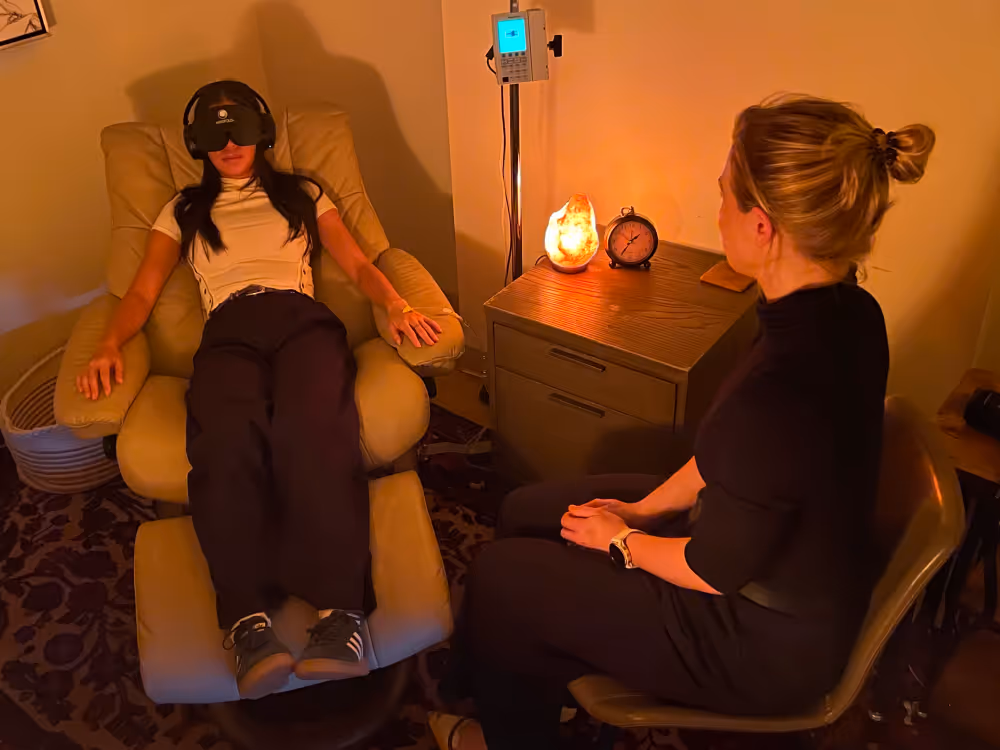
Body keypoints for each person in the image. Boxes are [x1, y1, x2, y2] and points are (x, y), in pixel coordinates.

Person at [429, 95, 935, 749]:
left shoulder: (781, 396)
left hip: (753, 638)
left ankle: (506, 733)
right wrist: (639, 509)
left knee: (502, 576)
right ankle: (527, 683)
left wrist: (622, 541)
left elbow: (713, 568)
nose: (716, 205)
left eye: (726, 194)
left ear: (763, 228)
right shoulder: (847, 308)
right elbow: (731, 460)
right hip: (756, 547)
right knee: (530, 509)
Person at [76, 80, 442, 700]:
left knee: (313, 432)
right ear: (198, 144)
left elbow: (355, 263)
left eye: (239, 131)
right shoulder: (182, 211)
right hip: (228, 332)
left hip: (300, 321)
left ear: (261, 134)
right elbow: (139, 292)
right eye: (214, 136)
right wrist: (108, 343)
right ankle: (246, 623)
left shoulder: (304, 194)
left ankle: (340, 616)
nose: (229, 145)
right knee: (222, 445)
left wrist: (398, 304)